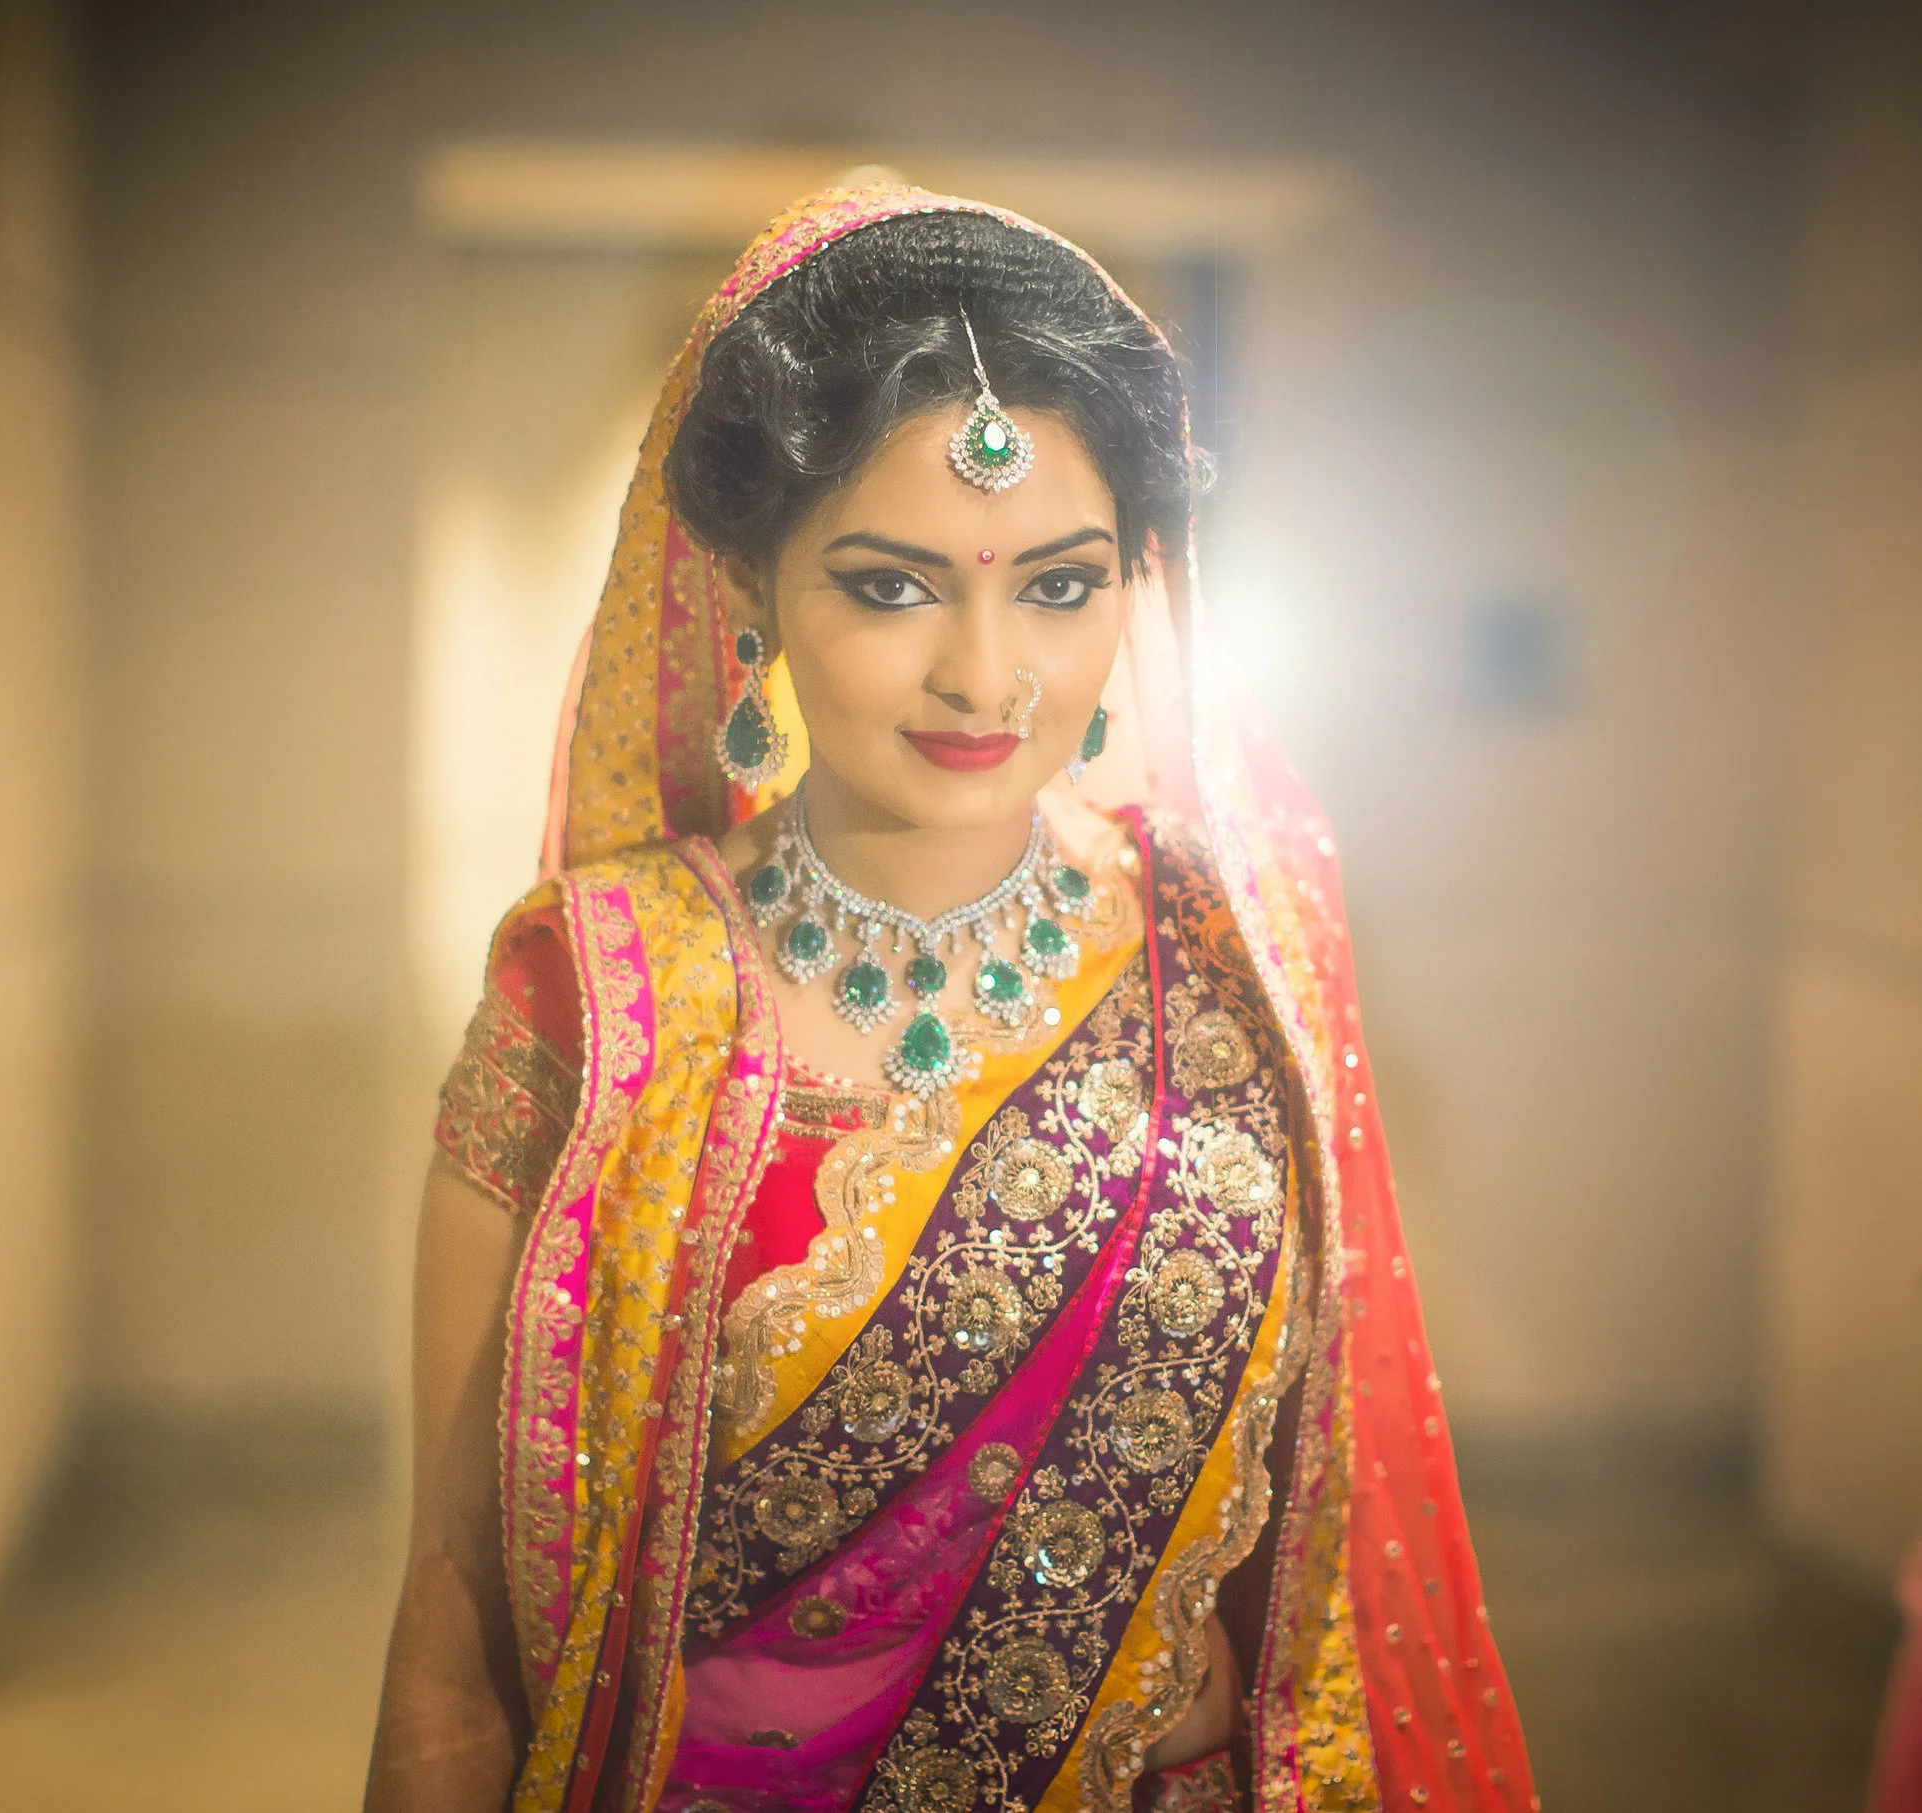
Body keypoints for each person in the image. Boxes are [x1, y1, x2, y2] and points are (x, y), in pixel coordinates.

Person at [366, 183, 1538, 1813]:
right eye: (892, 586)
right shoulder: (594, 988)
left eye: (1058, 586)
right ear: (750, 581)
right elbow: (458, 1602)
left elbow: (1323, 1574)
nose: (987, 675)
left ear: (1136, 581)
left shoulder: (1237, 953)